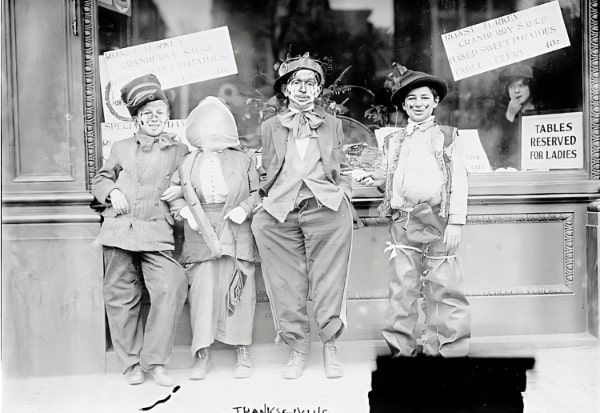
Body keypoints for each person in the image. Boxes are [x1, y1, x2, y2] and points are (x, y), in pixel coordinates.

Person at [251, 53, 353, 379]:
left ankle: (331, 347)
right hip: (280, 213)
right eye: (297, 82)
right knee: (285, 283)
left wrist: (345, 192)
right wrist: (261, 200)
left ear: (319, 88)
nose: (303, 89)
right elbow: (264, 169)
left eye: (311, 83)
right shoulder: (270, 126)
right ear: (286, 88)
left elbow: (341, 166)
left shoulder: (332, 124)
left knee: (329, 281)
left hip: (326, 208)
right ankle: (297, 347)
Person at [356, 67, 470, 358]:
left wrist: (455, 222)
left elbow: (459, 182)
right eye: (411, 99)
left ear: (434, 102)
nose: (418, 104)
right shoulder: (393, 140)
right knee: (402, 289)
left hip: (438, 220)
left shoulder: (447, 137)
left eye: (424, 98)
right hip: (403, 221)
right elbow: (390, 174)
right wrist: (375, 179)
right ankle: (400, 352)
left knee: (444, 288)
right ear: (404, 105)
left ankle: (447, 351)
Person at [92, 74, 189, 386]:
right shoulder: (120, 148)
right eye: (146, 114)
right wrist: (112, 193)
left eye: (160, 113)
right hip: (120, 230)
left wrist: (182, 193)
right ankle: (131, 364)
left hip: (156, 232)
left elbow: (192, 183)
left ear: (168, 117)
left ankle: (156, 362)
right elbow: (101, 179)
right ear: (135, 120)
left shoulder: (180, 150)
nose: (154, 119)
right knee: (121, 294)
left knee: (172, 284)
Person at [167, 96, 259, 380]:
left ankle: (242, 351)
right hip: (200, 230)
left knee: (240, 288)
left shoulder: (243, 159)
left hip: (236, 228)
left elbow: (259, 193)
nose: (212, 136)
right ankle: (202, 354)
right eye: (206, 130)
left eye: (217, 130)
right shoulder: (187, 162)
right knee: (202, 291)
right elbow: (173, 195)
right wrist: (186, 212)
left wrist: (244, 209)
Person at [494, 63, 537, 170]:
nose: (516, 91)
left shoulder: (539, 111)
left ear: (530, 87)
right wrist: (509, 116)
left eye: (521, 86)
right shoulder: (500, 114)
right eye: (511, 86)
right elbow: (501, 150)